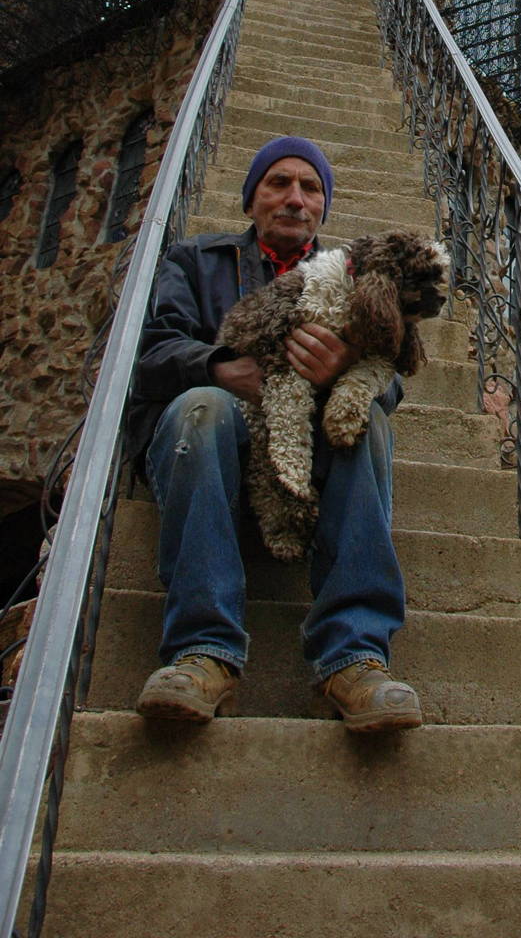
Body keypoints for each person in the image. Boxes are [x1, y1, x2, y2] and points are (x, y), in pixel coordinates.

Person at [128, 136, 422, 733]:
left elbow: (391, 377)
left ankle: (354, 657)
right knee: (202, 407)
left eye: (309, 188)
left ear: (324, 208)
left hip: (309, 446)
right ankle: (203, 651)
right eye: (278, 184)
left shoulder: (357, 278)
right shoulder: (194, 261)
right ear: (251, 200)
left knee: (366, 420)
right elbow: (151, 352)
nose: (294, 198)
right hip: (217, 439)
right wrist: (220, 365)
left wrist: (343, 369)